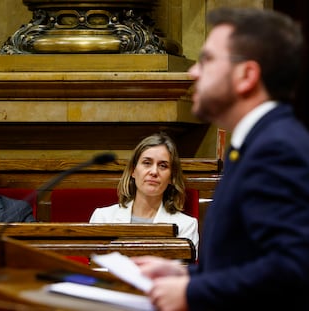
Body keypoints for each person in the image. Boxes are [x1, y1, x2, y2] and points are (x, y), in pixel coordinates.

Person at [131, 7, 309, 311]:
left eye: (208, 60)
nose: (193, 72)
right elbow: (250, 259)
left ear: (246, 76)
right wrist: (188, 275)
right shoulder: (258, 142)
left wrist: (193, 292)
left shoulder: (276, 148)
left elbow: (294, 267)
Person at [89, 132, 199, 253]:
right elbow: (93, 266)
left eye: (163, 166)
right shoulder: (103, 218)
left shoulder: (186, 226)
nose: (154, 171)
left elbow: (180, 271)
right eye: (147, 163)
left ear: (171, 178)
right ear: (133, 171)